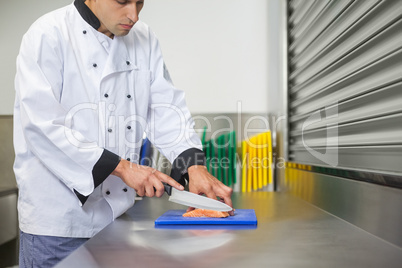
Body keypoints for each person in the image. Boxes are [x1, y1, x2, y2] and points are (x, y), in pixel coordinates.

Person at [13, 0, 233, 267]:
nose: (134, 15)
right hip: (58, 225)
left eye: (140, 3)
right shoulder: (48, 34)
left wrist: (193, 166)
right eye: (123, 1)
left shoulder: (144, 38)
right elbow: (42, 125)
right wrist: (123, 168)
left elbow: (165, 109)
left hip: (116, 221)